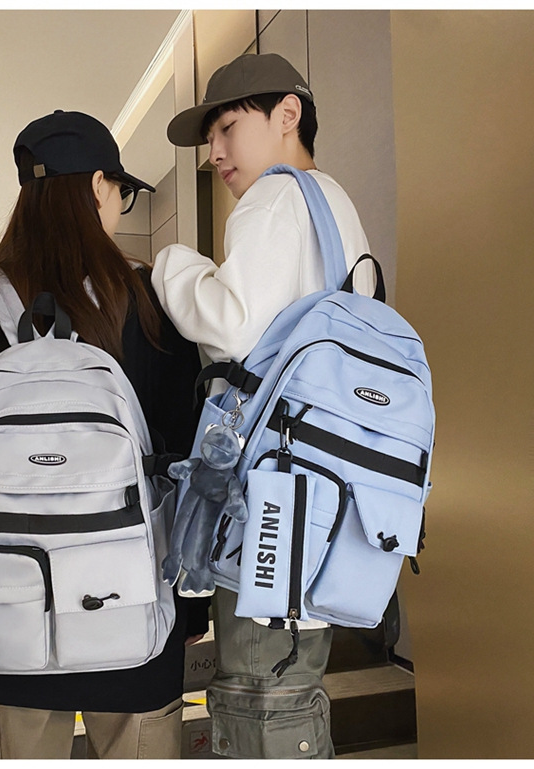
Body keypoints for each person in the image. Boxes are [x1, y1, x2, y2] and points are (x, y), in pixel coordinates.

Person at [0, 110, 209, 760]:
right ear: (98, 185)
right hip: (129, 597)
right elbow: (184, 457)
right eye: (121, 191)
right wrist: (191, 602)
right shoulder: (144, 297)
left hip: (7, 602)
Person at [151, 53, 374, 759]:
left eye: (226, 128)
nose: (214, 153)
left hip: (272, 504)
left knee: (260, 699)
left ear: (287, 115)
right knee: (291, 687)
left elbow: (231, 326)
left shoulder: (276, 197)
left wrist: (172, 264)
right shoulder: (336, 206)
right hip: (330, 499)